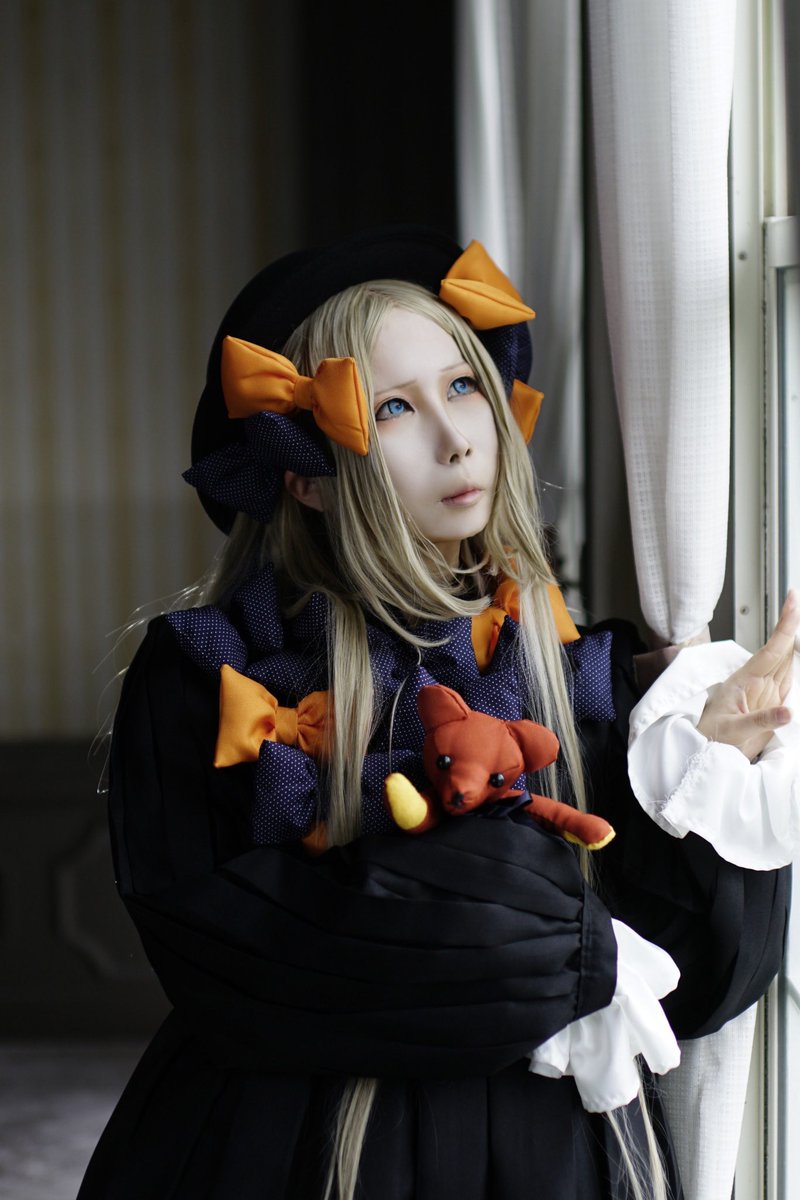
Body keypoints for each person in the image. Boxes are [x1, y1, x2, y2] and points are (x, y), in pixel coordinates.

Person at [78, 226, 798, 1200]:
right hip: (301, 1150)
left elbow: (686, 987)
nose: (457, 437)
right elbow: (242, 957)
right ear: (304, 476)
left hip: (548, 1154)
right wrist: (564, 942)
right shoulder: (211, 680)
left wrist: (708, 767)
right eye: (393, 407)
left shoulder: (572, 668)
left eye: (462, 386)